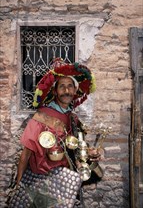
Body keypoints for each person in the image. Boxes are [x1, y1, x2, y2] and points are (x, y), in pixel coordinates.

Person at [8, 58, 102, 208]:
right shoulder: (42, 116)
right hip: (41, 181)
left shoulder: (73, 118)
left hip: (66, 182)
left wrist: (89, 152)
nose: (66, 91)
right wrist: (19, 185)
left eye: (70, 86)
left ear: (75, 90)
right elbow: (26, 153)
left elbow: (77, 149)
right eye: (62, 87)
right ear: (54, 91)